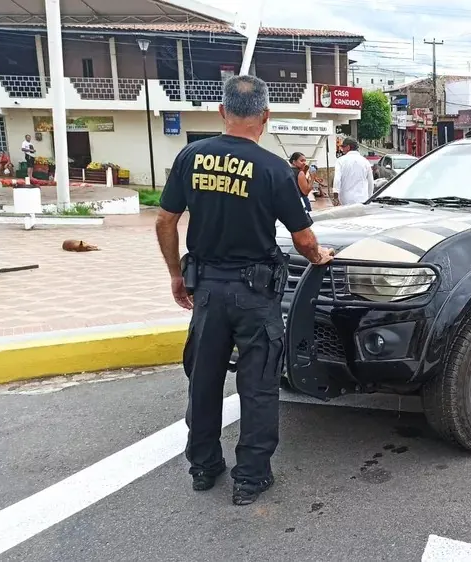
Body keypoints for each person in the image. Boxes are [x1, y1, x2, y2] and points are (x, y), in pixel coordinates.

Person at [154, 75, 335, 506]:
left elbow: (165, 221)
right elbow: (303, 238)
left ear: (222, 111)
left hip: (207, 291)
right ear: (266, 116)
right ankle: (250, 478)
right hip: (255, 296)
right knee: (258, 386)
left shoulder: (191, 157)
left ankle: (203, 467)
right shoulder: (274, 169)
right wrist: (319, 257)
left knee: (204, 381)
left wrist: (176, 275)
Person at [333, 137, 374, 206]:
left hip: (346, 200)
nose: (342, 149)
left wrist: (335, 197)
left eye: (343, 147)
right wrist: (369, 198)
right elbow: (370, 182)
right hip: (362, 199)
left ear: (348, 147)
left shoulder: (340, 161)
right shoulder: (365, 161)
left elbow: (337, 179)